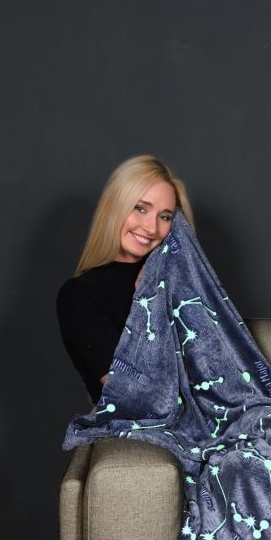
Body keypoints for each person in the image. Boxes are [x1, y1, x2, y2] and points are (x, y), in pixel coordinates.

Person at [56, 155, 195, 405]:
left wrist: (161, 271)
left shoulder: (178, 279)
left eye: (165, 217)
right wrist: (149, 299)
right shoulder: (79, 295)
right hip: (141, 420)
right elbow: (135, 390)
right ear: (116, 207)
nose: (151, 228)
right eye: (140, 208)